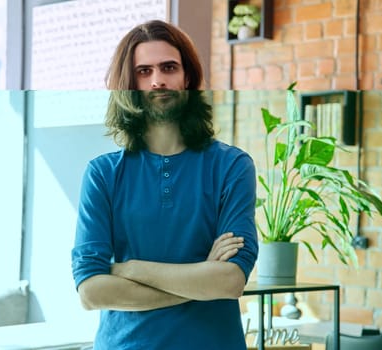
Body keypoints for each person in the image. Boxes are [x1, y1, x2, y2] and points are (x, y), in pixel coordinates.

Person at [71, 20, 258, 350]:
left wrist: (129, 269)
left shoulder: (232, 166)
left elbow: (229, 281)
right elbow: (91, 291)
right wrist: (201, 278)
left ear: (187, 78)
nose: (157, 80)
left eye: (168, 67)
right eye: (143, 71)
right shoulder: (102, 174)